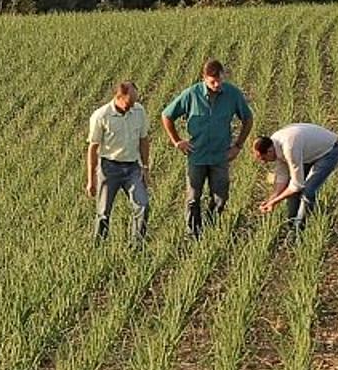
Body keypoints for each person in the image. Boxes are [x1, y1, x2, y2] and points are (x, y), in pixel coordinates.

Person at [161, 60, 253, 238]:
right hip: (197, 155)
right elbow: (167, 115)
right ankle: (192, 232)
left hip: (220, 155)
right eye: (212, 81)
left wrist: (238, 146)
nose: (217, 85)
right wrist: (177, 141)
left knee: (220, 197)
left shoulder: (232, 94)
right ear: (204, 78)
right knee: (193, 197)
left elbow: (248, 119)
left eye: (220, 80)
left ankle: (211, 228)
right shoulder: (191, 94)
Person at [86, 81, 150, 244]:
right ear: (118, 97)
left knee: (142, 205)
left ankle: (137, 246)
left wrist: (145, 167)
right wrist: (91, 180)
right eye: (130, 102)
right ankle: (98, 246)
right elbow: (93, 149)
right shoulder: (101, 116)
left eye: (135, 100)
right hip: (109, 168)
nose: (133, 105)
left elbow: (143, 140)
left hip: (132, 168)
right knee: (103, 212)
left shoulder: (138, 111)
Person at [252, 122, 338, 230]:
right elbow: (282, 177)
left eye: (264, 158)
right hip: (308, 153)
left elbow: (296, 185)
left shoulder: (289, 148)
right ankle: (291, 223)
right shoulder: (273, 144)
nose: (264, 162)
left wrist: (274, 202)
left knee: (308, 191)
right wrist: (272, 198)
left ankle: (300, 228)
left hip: (328, 152)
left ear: (269, 151)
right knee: (291, 190)